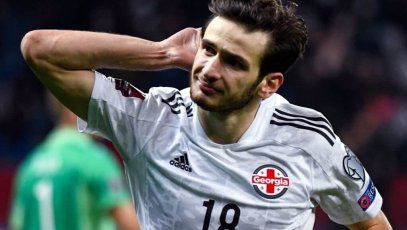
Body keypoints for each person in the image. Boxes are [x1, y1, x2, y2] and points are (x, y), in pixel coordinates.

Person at [19, 0, 392, 229]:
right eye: (209, 49)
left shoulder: (310, 141)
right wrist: (162, 53)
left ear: (269, 84)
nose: (210, 69)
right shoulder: (151, 120)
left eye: (232, 62)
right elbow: (40, 50)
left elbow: (372, 223)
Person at [8, 94, 140, 230]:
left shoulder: (29, 167)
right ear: (72, 108)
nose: (104, 113)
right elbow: (131, 225)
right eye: (95, 105)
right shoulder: (94, 160)